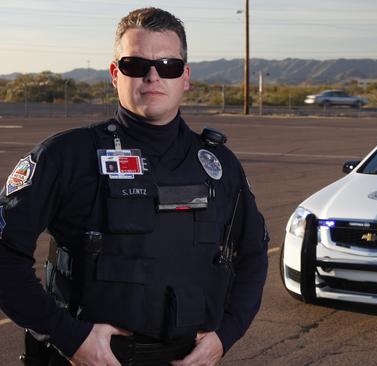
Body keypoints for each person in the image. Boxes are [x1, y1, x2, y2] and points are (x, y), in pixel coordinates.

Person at [0, 7, 268, 366]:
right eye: (135, 65)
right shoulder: (66, 156)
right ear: (114, 74)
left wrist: (227, 334)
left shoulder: (219, 166)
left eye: (169, 66)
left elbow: (252, 255)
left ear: (185, 77)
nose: (153, 76)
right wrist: (69, 337)